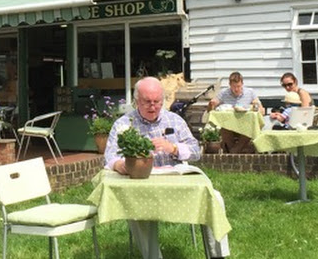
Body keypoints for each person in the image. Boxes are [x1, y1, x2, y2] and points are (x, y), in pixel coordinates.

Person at [105, 77, 228, 258]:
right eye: (147, 102)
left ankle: (218, 255)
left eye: (157, 102)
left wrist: (174, 148)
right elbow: (109, 155)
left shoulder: (175, 120)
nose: (153, 106)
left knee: (215, 198)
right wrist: (120, 165)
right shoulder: (124, 124)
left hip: (176, 183)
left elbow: (196, 151)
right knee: (135, 208)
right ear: (137, 101)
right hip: (141, 186)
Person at [206, 72, 263, 153]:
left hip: (245, 125)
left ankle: (233, 151)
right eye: (233, 87)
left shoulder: (250, 92)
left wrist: (256, 106)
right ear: (229, 85)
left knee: (251, 126)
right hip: (229, 125)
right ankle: (235, 151)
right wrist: (211, 104)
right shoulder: (224, 93)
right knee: (224, 126)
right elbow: (209, 110)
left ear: (242, 84)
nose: (236, 89)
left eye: (238, 86)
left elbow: (262, 111)